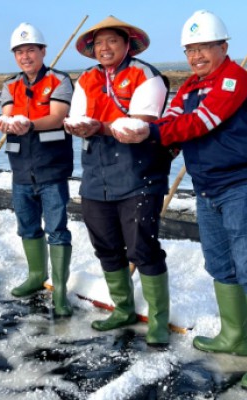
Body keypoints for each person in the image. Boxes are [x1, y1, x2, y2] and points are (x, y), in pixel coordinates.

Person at [141, 10, 247, 393]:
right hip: (206, 187)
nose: (196, 56)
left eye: (204, 47)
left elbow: (199, 123)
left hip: (245, 184)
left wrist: (149, 132)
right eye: (190, 50)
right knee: (219, 263)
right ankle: (234, 336)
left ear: (223, 46)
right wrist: (150, 134)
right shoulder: (187, 86)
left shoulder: (235, 79)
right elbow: (169, 122)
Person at [64, 16, 173, 347]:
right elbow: (79, 114)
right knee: (106, 245)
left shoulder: (146, 74)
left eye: (112, 41)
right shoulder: (86, 78)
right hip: (96, 174)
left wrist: (99, 127)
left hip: (138, 172)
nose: (104, 48)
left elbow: (141, 125)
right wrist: (77, 126)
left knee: (142, 247)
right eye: (98, 43)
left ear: (127, 44)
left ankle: (158, 321)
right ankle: (123, 308)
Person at [0, 23, 74, 317]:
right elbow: (6, 116)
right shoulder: (10, 84)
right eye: (19, 51)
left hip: (51, 168)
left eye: (31, 50)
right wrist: (6, 123)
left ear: (43, 51)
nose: (25, 56)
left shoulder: (59, 80)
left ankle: (61, 290)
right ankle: (35, 275)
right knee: (27, 226)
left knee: (56, 229)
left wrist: (28, 123)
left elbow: (56, 117)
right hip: (20, 169)